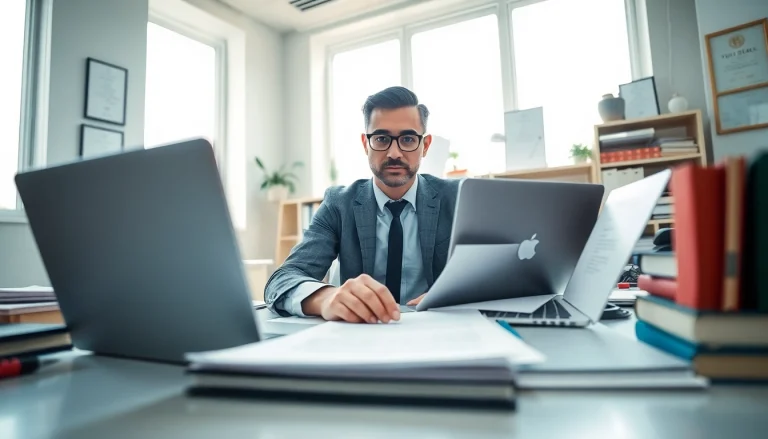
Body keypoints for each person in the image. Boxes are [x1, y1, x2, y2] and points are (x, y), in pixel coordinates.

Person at [264, 86, 460, 323]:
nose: (394, 152)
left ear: (425, 145)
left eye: (408, 139)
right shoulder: (338, 203)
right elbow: (282, 280)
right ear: (365, 144)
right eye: (381, 139)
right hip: (362, 333)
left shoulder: (457, 198)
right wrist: (327, 298)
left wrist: (461, 296)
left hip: (439, 331)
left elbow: (501, 275)